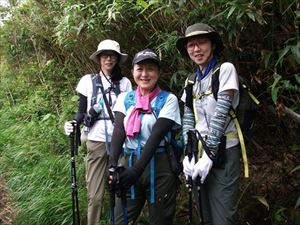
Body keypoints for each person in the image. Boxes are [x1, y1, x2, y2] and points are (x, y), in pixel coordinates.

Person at [107, 49, 181, 225]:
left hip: (160, 165)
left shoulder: (168, 100)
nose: (145, 74)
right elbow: (118, 131)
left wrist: (137, 170)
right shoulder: (125, 98)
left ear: (158, 72)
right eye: (140, 69)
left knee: (160, 220)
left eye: (150, 69)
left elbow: (157, 136)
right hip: (129, 161)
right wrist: (111, 167)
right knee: (119, 220)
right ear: (132, 71)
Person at [177, 23, 241, 225]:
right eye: (191, 45)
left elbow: (221, 113)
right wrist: (189, 154)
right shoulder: (190, 80)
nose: (196, 49)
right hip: (198, 155)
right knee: (205, 215)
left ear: (212, 44)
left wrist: (209, 155)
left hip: (224, 151)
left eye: (201, 43)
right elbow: (188, 118)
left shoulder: (225, 70)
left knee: (223, 216)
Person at [64, 39, 132, 225]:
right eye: (105, 55)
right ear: (99, 58)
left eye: (112, 55)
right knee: (95, 196)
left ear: (117, 59)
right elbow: (81, 110)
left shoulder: (125, 83)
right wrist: (73, 123)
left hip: (121, 143)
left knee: (120, 191)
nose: (108, 59)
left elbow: (130, 113)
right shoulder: (88, 81)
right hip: (96, 140)